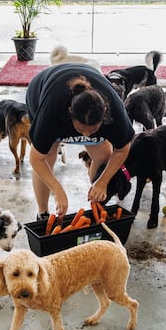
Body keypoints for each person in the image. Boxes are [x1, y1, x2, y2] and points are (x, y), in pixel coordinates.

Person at [26, 63, 134, 219]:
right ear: (70, 113)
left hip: (90, 86)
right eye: (82, 130)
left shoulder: (115, 111)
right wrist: (58, 190)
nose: (87, 136)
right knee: (47, 156)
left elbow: (122, 149)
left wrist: (103, 181)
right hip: (42, 90)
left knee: (104, 153)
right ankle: (42, 213)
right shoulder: (52, 111)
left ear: (104, 115)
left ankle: (96, 196)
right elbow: (36, 159)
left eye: (93, 130)